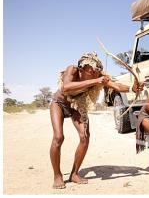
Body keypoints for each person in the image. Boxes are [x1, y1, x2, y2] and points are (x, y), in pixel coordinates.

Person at [49, 52, 139, 189]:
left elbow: (117, 86)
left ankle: (74, 174)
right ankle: (57, 175)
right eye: (91, 71)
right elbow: (65, 87)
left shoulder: (98, 76)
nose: (94, 73)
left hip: (76, 105)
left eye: (96, 71)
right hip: (59, 103)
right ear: (82, 69)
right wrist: (96, 81)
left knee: (85, 137)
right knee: (58, 137)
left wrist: (132, 88)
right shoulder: (72, 70)